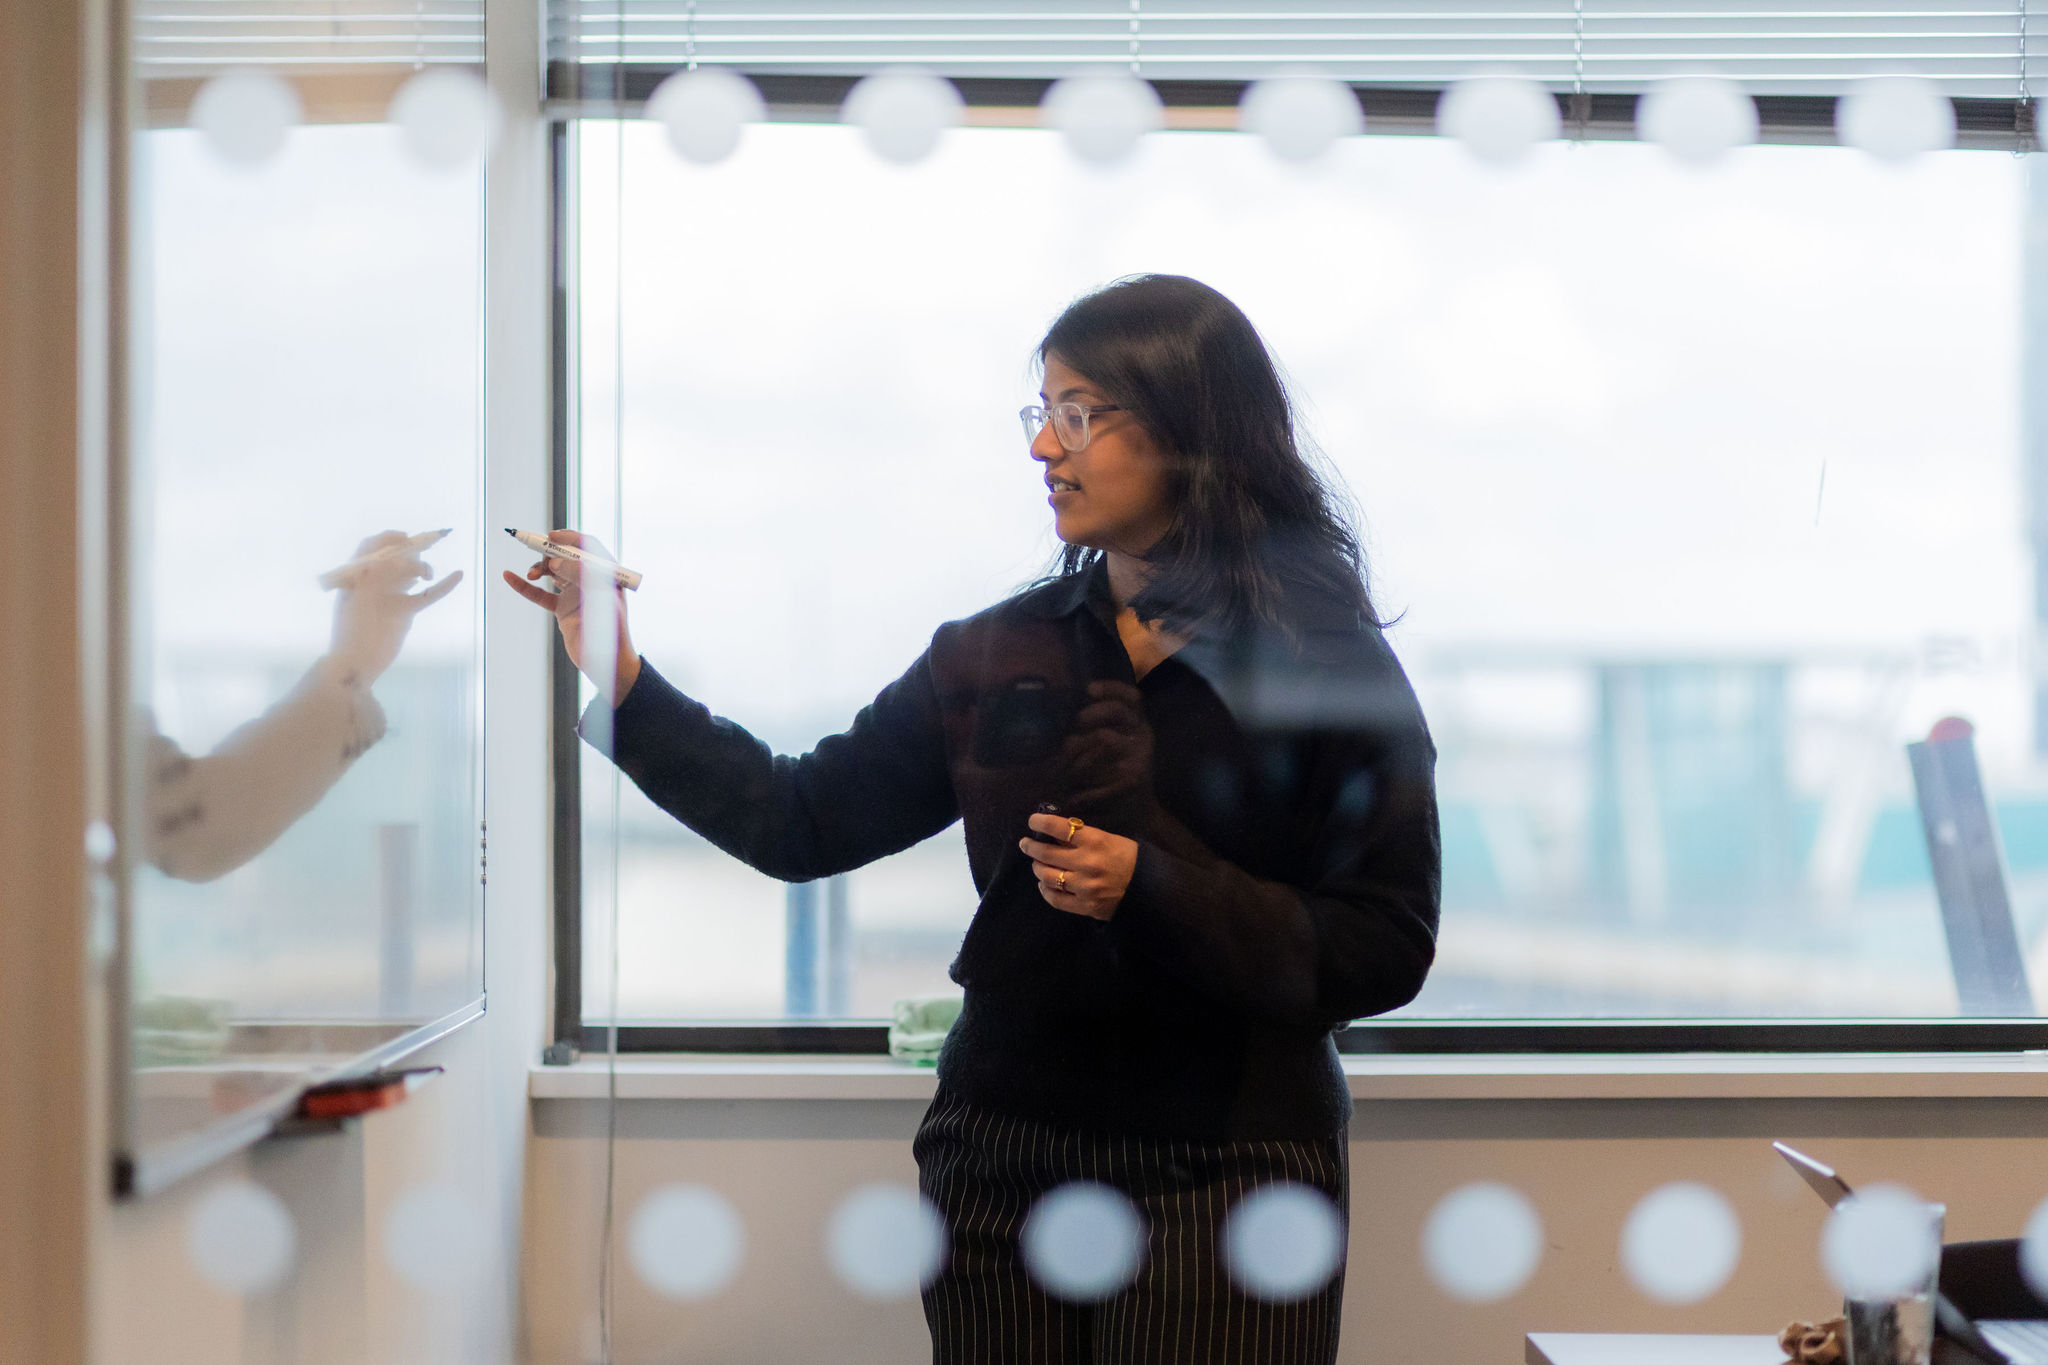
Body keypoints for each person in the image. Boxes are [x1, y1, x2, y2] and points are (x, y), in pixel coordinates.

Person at [504, 274, 1440, 1364]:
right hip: (1000, 1158)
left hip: (1231, 1169)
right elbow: (800, 818)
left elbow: (1384, 945)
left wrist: (1151, 884)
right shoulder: (996, 651)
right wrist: (616, 670)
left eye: (1080, 414)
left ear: (1195, 429)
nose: (1045, 446)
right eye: (1040, 412)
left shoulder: (1327, 667)